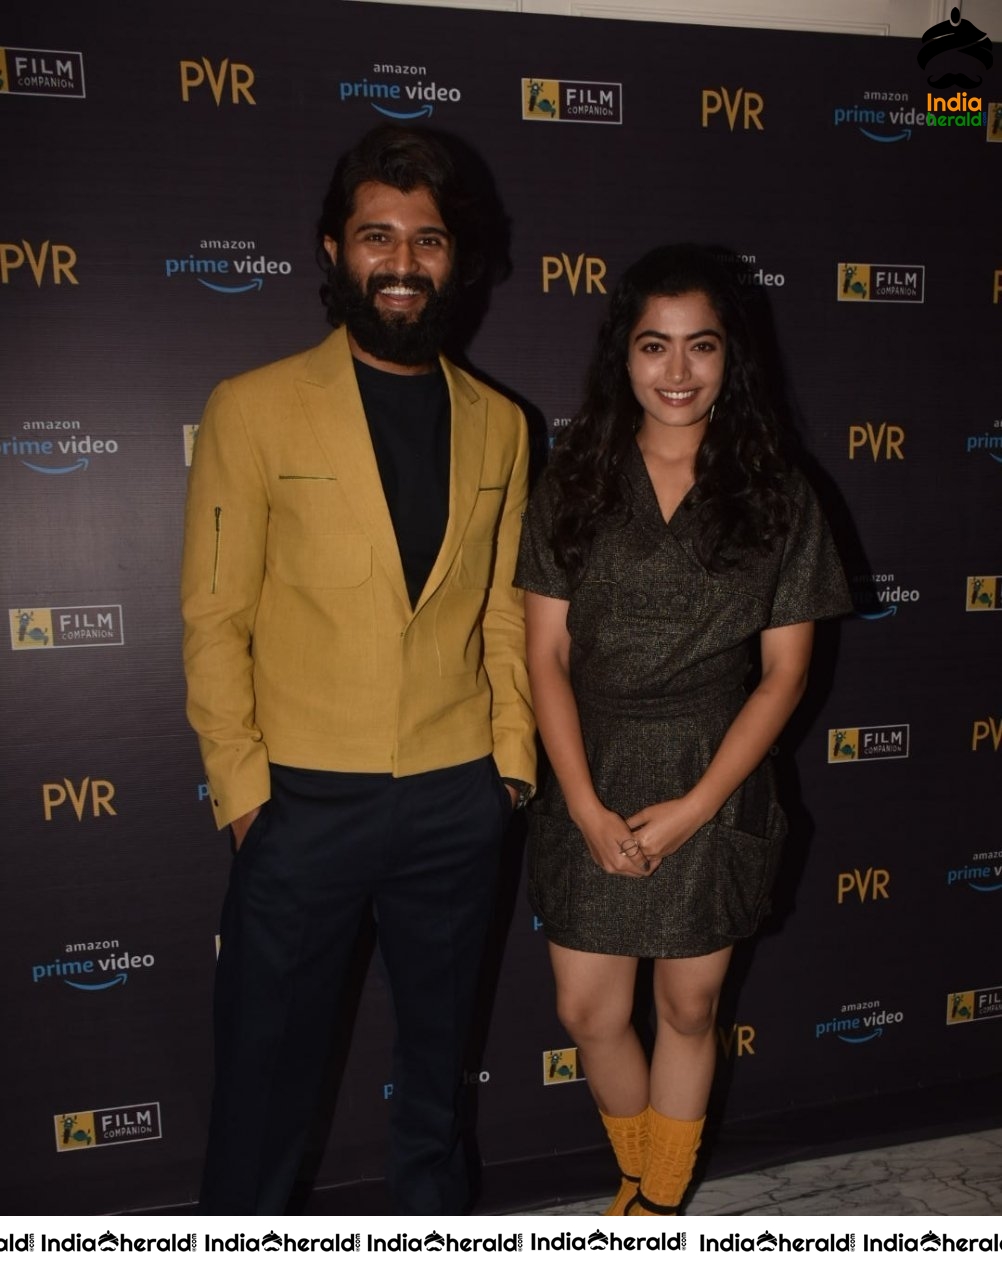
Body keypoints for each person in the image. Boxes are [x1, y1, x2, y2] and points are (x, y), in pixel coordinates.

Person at [181, 124, 535, 1215]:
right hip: (301, 806)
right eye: (377, 235)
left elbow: (504, 614)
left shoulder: (505, 426)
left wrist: (508, 772)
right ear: (332, 249)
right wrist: (248, 804)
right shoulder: (252, 405)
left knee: (437, 1087)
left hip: (455, 796)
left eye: (427, 240)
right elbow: (212, 618)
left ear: (457, 260)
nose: (401, 261)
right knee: (261, 1092)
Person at [515, 244, 850, 1216]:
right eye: (653, 345)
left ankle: (657, 1207)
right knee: (588, 1010)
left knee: (689, 1005)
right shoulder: (572, 483)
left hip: (718, 766)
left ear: (729, 357)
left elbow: (787, 676)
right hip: (593, 762)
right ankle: (636, 1172)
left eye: (699, 347)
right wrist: (581, 803)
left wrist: (699, 807)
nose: (676, 372)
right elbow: (545, 656)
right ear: (622, 355)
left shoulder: (781, 495)